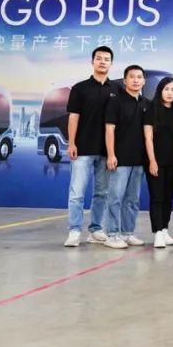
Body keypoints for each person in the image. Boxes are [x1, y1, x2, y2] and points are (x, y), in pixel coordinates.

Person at [63, 46, 118, 247]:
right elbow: (73, 118)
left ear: (111, 63)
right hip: (83, 149)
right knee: (77, 192)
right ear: (92, 61)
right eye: (99, 58)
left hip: (106, 151)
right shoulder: (79, 88)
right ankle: (74, 231)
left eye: (106, 59)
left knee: (102, 193)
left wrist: (114, 152)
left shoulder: (117, 89)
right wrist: (72, 142)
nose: (103, 62)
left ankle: (95, 230)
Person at [103, 65, 148, 249]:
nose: (136, 80)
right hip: (119, 159)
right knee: (115, 197)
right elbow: (109, 129)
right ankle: (112, 235)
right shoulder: (116, 101)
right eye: (132, 77)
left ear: (144, 81)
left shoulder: (146, 103)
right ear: (125, 81)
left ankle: (127, 233)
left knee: (132, 199)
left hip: (139, 160)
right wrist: (111, 154)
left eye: (139, 77)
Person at [144, 77, 173, 249]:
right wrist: (152, 160)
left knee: (168, 196)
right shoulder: (151, 109)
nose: (170, 93)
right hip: (155, 161)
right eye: (166, 89)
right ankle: (157, 232)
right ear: (160, 90)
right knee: (157, 197)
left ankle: (165, 229)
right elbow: (148, 137)